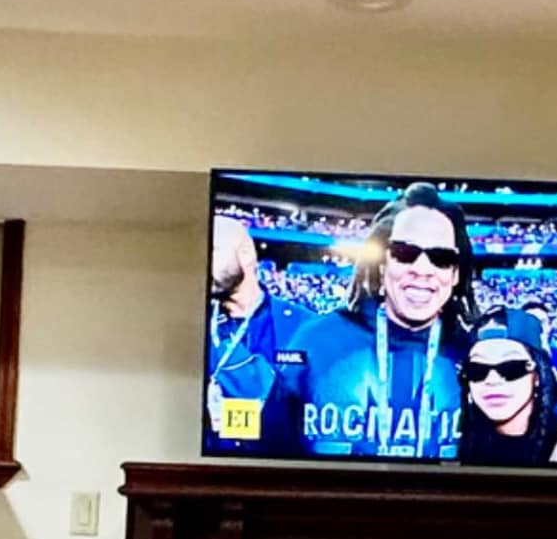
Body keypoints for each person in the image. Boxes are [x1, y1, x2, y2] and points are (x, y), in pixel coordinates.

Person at [206, 183, 481, 458]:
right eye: (405, 253)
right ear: (383, 263)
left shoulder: (479, 358)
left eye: (441, 258)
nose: (422, 270)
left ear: (456, 274)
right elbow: (267, 451)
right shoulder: (315, 340)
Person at [455, 308, 557, 466]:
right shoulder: (456, 435)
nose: (492, 380)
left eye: (511, 367)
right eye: (477, 369)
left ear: (537, 376)